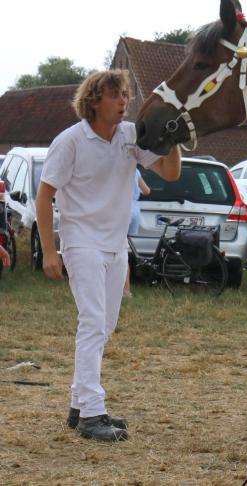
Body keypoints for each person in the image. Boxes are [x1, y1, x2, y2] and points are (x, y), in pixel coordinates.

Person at [35, 70, 181, 442]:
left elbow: (170, 171)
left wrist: (172, 139)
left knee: (106, 325)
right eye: (115, 95)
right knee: (93, 321)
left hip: (115, 245)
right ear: (94, 101)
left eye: (126, 95)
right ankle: (92, 415)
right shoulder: (70, 141)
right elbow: (44, 196)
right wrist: (50, 251)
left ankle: (79, 403)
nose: (123, 102)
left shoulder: (131, 136)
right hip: (80, 242)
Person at [124, 169, 150, 296]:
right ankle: (126, 290)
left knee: (119, 253)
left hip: (122, 208)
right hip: (135, 210)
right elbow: (147, 190)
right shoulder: (136, 170)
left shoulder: (118, 167)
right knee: (122, 250)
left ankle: (125, 290)